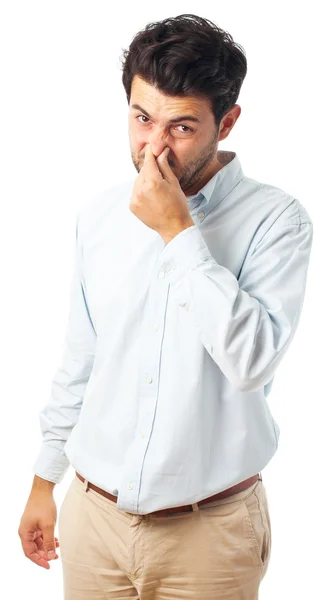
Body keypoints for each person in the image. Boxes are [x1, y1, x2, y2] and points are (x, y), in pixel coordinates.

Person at [18, 13, 313, 600]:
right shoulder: (99, 217)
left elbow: (252, 361)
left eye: (181, 127)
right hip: (94, 520)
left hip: (210, 532)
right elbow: (82, 360)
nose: (153, 147)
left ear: (226, 123)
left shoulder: (278, 221)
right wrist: (43, 480)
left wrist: (179, 232)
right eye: (142, 118)